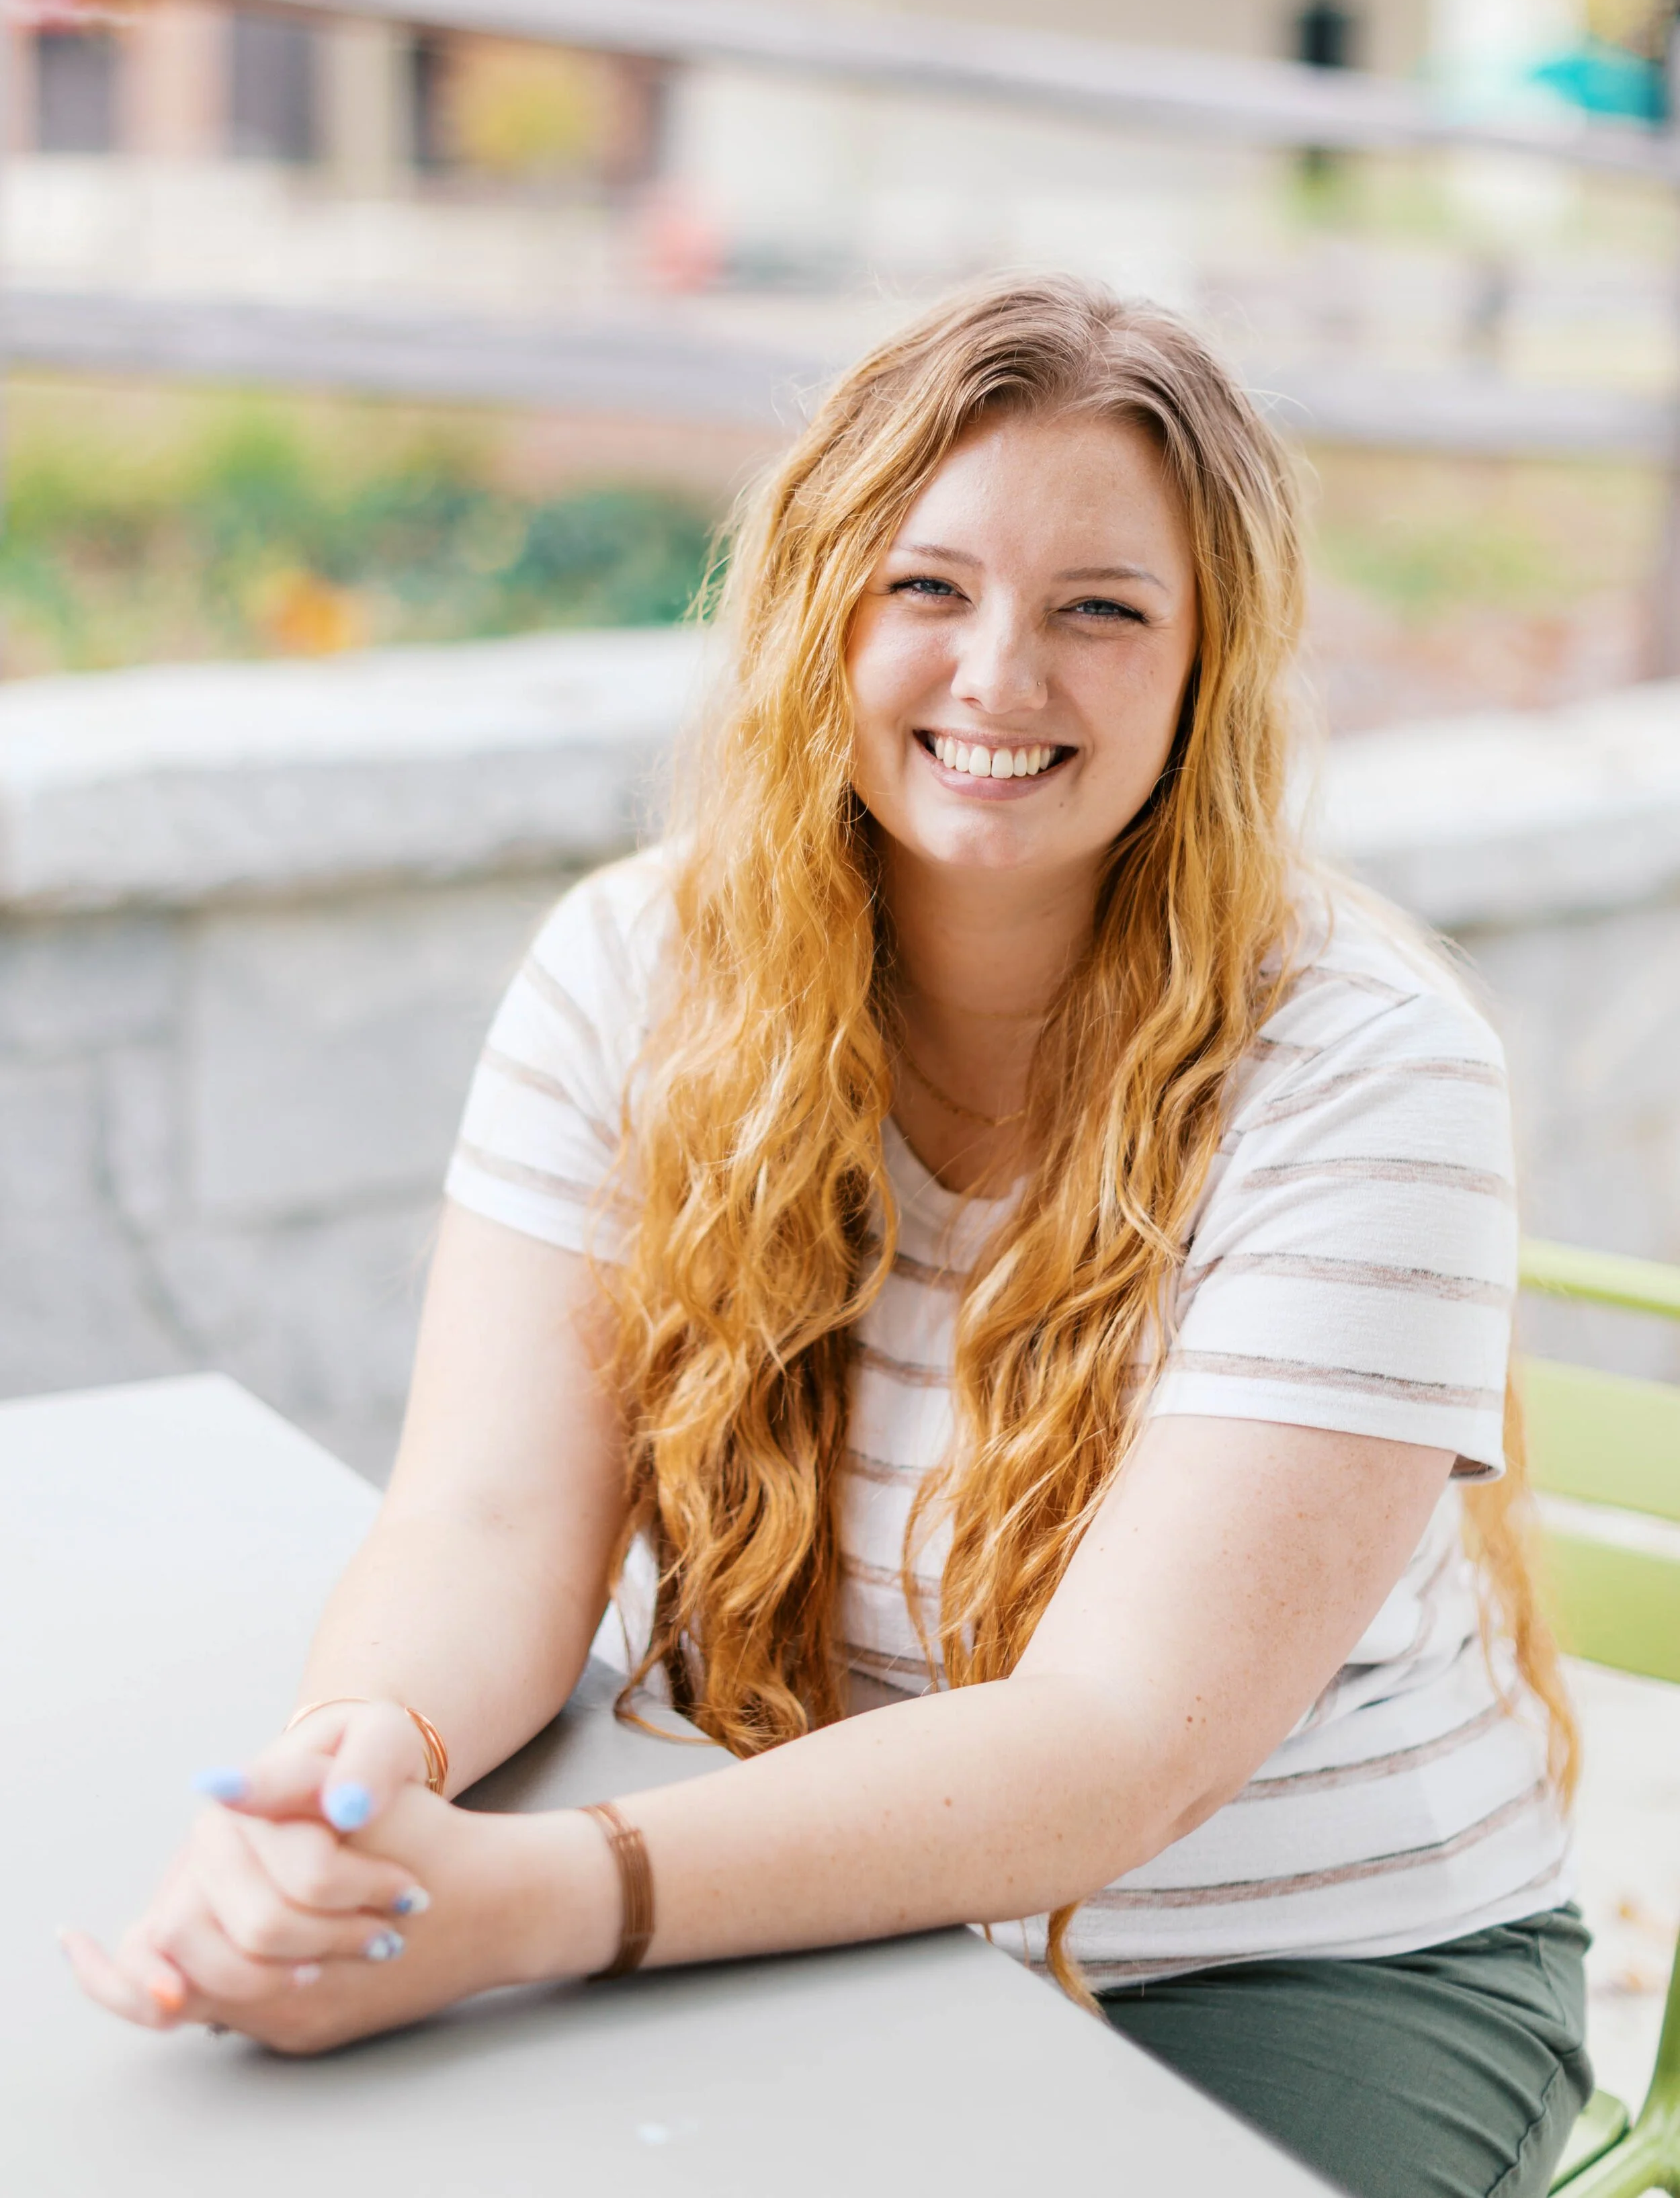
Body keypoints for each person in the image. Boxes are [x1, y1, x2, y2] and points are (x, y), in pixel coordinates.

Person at [65, 278, 1591, 2198]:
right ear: (821, 607)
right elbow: (489, 1520)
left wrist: (544, 1896)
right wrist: (363, 1778)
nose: (1000, 675)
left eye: (1101, 609)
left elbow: (1113, 1743)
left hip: (1289, 1961)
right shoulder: (634, 968)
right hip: (785, 1885)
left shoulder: (1366, 1067)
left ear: (1211, 668)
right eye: (927, 587)